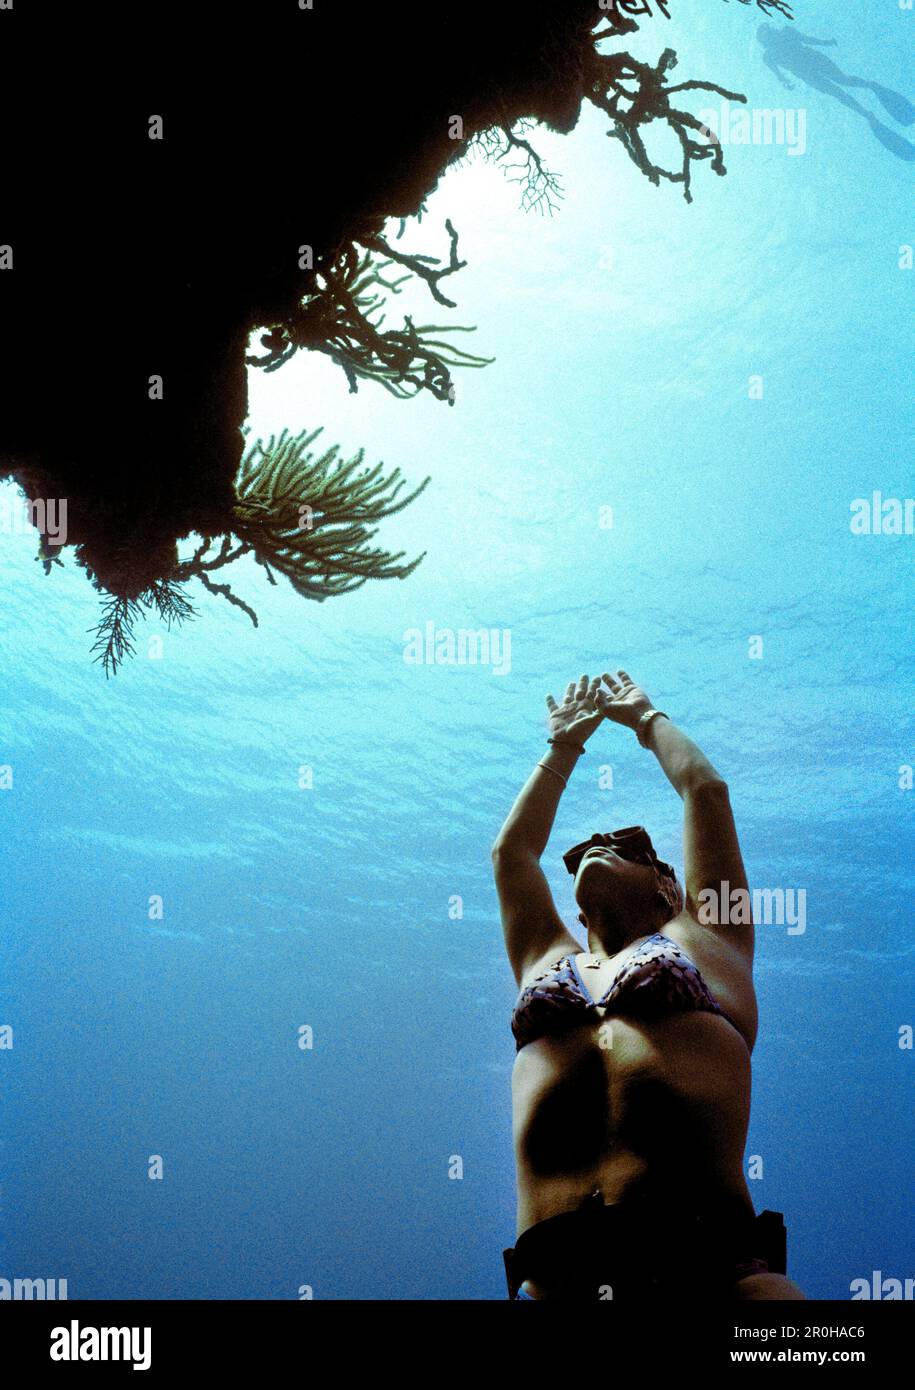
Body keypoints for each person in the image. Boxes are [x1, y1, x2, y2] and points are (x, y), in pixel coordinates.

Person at [492, 669, 805, 1300]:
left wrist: (645, 717)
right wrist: (563, 748)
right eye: (581, 852)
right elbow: (512, 855)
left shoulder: (710, 940)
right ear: (577, 909)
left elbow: (706, 791)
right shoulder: (544, 959)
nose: (597, 847)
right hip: (558, 1273)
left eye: (627, 845)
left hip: (712, 1261)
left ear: (669, 886)